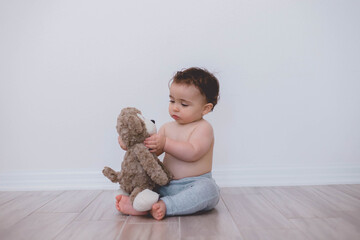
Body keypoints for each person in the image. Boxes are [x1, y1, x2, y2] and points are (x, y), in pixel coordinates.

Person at [115, 67, 220, 220]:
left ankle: (166, 205)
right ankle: (141, 203)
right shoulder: (167, 127)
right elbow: (151, 152)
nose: (175, 107)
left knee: (209, 191)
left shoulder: (203, 128)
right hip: (165, 184)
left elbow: (193, 152)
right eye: (172, 101)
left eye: (184, 104)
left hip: (194, 184)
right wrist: (131, 145)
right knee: (143, 183)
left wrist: (165, 144)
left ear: (205, 108)